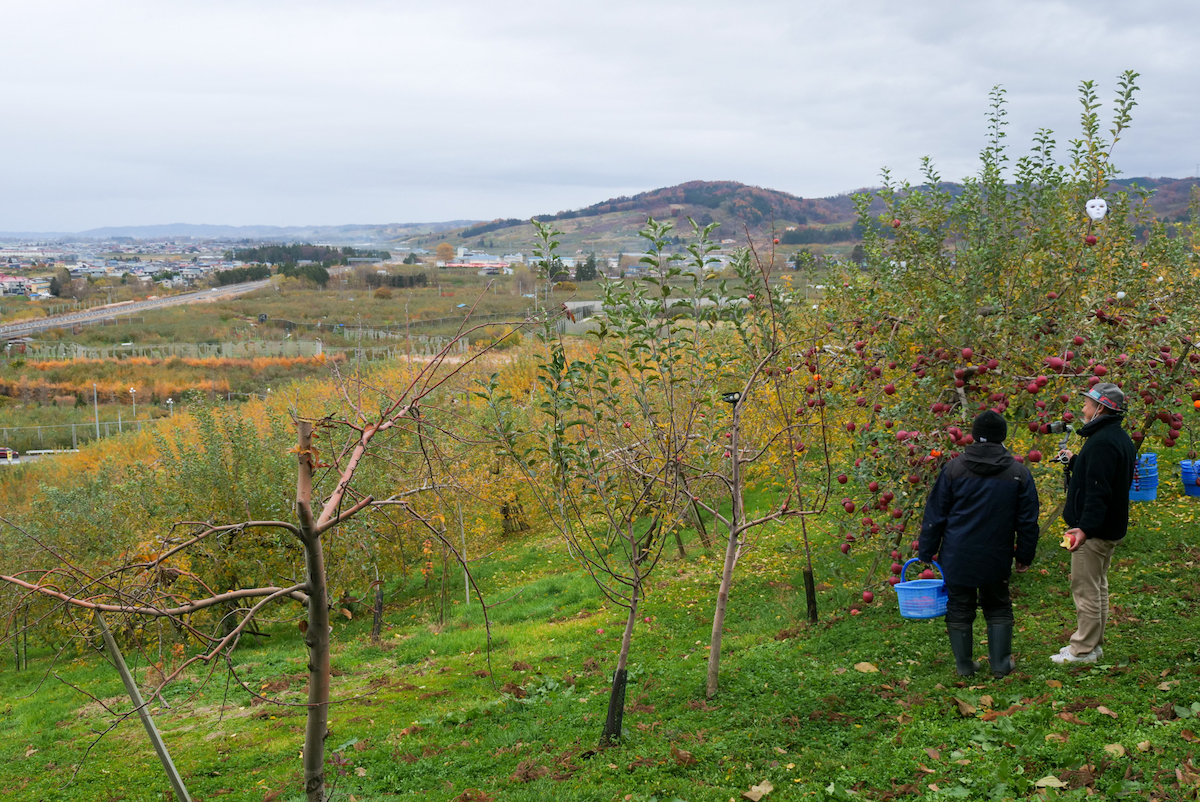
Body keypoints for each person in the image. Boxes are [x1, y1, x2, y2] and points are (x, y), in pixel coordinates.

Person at [919, 410, 1039, 678]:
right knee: (997, 604)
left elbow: (936, 514)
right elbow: (1028, 521)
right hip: (997, 553)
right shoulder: (1018, 473)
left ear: (974, 436)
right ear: (1003, 437)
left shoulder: (953, 469)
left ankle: (964, 666)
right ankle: (1000, 664)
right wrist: (1025, 555)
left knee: (960, 605)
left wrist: (926, 550)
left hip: (957, 554)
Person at [1051, 382, 1135, 665]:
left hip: (1095, 531)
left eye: (1087, 404)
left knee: (1085, 588)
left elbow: (1099, 490)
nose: (1082, 409)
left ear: (1100, 408)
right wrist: (1076, 461)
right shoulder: (1116, 438)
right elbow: (1104, 475)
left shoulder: (1101, 442)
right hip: (1109, 527)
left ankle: (1082, 650)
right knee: (1097, 586)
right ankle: (1093, 644)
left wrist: (1084, 529)